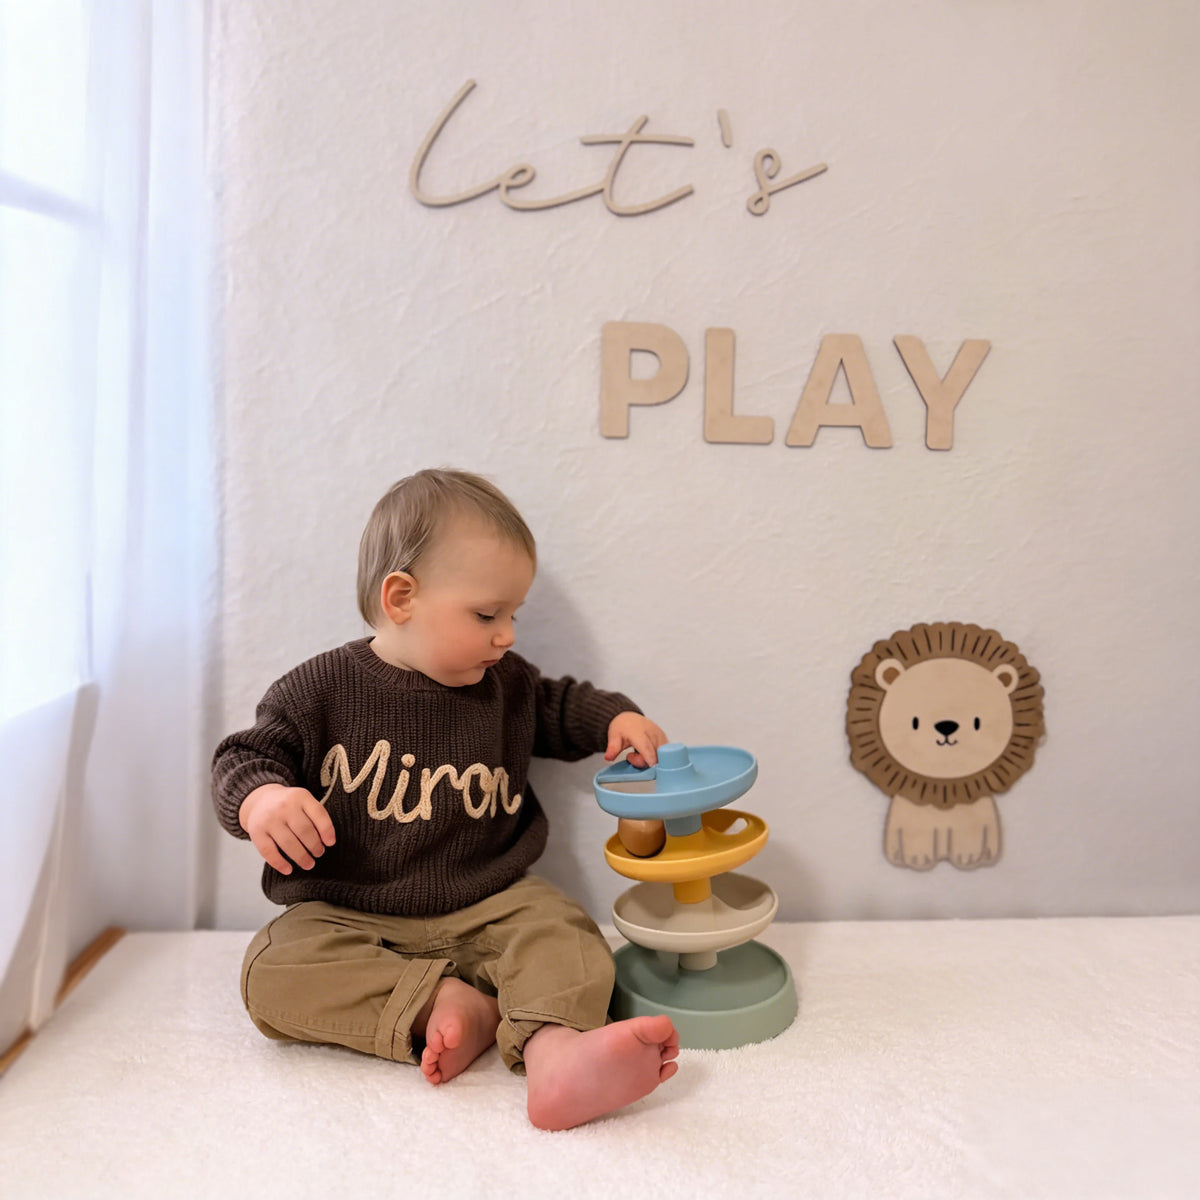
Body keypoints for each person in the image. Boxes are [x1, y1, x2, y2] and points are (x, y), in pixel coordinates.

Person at [211, 468, 678, 1130]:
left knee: (565, 933)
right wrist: (261, 802)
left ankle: (556, 1054)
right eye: (488, 615)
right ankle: (446, 1005)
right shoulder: (319, 690)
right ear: (401, 598)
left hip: (491, 900)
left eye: (513, 614)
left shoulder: (505, 686)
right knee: (271, 972)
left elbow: (561, 704)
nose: (507, 635)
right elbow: (243, 756)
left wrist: (613, 720)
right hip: (350, 912)